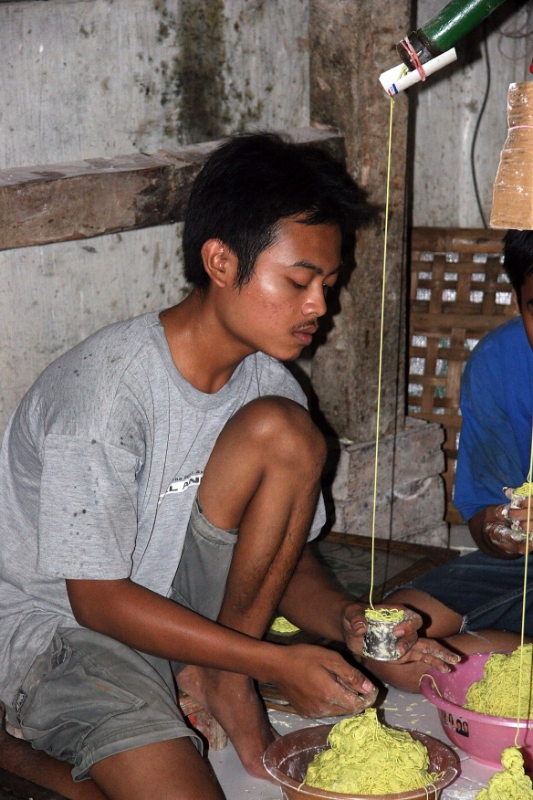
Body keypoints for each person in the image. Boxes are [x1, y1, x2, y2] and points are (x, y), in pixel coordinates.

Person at [0, 133, 455, 800]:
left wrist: (346, 623)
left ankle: (218, 675)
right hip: (69, 634)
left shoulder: (270, 388)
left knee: (286, 433)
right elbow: (94, 602)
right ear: (219, 261)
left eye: (327, 285)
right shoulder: (103, 394)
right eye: (298, 281)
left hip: (180, 618)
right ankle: (23, 750)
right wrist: (271, 659)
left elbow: (283, 559)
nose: (318, 307)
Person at [368, 228, 533, 693]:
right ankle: (511, 662)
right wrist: (505, 532)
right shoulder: (498, 363)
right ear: (519, 300)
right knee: (388, 638)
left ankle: (498, 663)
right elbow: (485, 521)